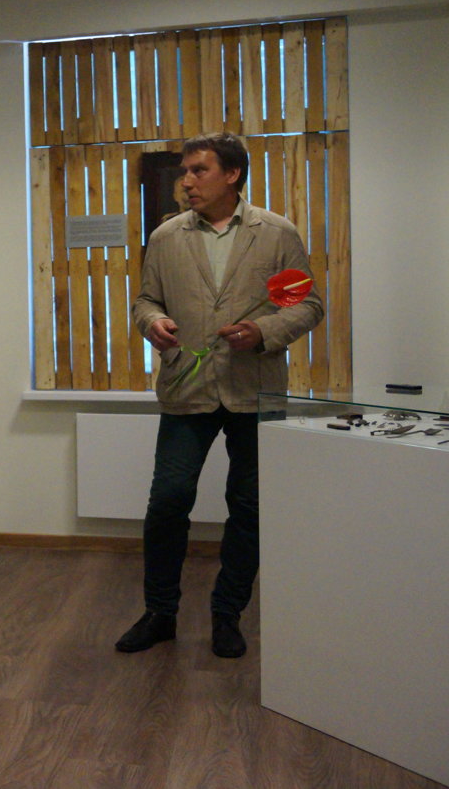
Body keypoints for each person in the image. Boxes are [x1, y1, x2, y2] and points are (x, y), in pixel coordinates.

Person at [119, 132, 323, 658]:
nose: (186, 181)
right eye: (185, 171)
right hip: (186, 386)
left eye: (198, 170)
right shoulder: (166, 236)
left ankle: (227, 615)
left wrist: (264, 331)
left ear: (232, 174)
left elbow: (307, 305)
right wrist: (152, 322)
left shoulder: (276, 233)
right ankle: (160, 613)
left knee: (250, 506)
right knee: (168, 501)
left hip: (255, 389)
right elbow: (145, 300)